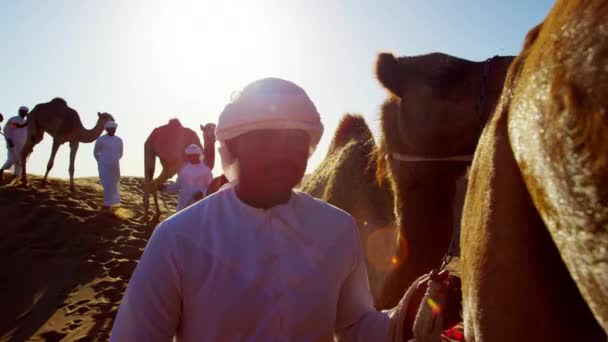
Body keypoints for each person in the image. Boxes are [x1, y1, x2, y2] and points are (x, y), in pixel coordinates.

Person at [110, 78, 422, 341]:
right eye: (265, 138)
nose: (284, 152)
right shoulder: (179, 238)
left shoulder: (337, 228)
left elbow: (354, 325)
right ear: (234, 147)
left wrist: (408, 317)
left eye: (296, 139)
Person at [159, 144, 214, 212]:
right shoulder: (184, 169)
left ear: (199, 155)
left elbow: (211, 187)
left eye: (194, 155)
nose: (192, 158)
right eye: (190, 156)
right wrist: (165, 187)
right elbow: (178, 185)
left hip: (199, 204)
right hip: (183, 204)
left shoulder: (206, 170)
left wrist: (202, 193)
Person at [94, 120, 123, 209]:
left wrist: (114, 160)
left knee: (115, 183)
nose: (112, 130)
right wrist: (100, 161)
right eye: (111, 129)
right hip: (104, 165)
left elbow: (120, 153)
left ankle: (115, 203)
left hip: (115, 165)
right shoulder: (101, 139)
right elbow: (96, 152)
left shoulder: (119, 140)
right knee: (107, 183)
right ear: (107, 129)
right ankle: (107, 203)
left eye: (114, 129)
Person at [0, 106, 28, 182]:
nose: (24, 113)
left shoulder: (26, 122)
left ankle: (15, 177)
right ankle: (1, 171)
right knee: (12, 159)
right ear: (19, 111)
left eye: (25, 112)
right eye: (22, 111)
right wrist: (8, 139)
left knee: (20, 161)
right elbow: (7, 129)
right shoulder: (14, 119)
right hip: (12, 143)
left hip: (21, 145)